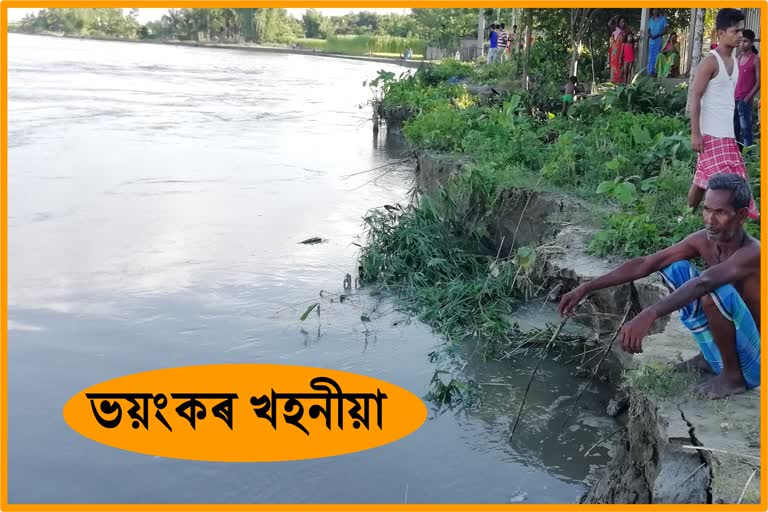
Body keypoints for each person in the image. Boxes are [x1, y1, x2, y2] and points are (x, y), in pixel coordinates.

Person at [559, 174, 760, 399]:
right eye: (707, 209)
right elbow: (647, 263)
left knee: (713, 293)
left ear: (742, 216)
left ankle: (732, 378)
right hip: (726, 349)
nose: (710, 220)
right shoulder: (704, 240)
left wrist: (650, 313)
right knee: (676, 269)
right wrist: (586, 287)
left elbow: (705, 283)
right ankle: (708, 357)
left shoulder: (752, 253)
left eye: (720, 212)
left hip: (754, 364)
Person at [689, 8, 759, 220]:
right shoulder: (710, 62)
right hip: (711, 135)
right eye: (734, 31)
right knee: (734, 180)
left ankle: (685, 217)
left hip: (727, 134)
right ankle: (736, 220)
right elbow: (695, 97)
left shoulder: (735, 62)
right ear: (720, 33)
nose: (739, 35)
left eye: (741, 31)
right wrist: (696, 133)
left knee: (702, 180)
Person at [734, 29, 760, 149]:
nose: (742, 44)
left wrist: (747, 99)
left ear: (751, 42)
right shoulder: (738, 58)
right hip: (734, 99)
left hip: (744, 101)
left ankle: (748, 159)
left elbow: (759, 82)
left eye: (745, 41)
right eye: (741, 41)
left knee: (746, 131)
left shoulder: (755, 60)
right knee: (735, 129)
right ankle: (737, 156)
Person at [647, 9, 669, 77]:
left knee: (657, 56)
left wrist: (657, 35)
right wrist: (650, 35)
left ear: (659, 11)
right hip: (651, 41)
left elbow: (666, 29)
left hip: (659, 41)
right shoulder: (650, 20)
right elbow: (648, 30)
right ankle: (650, 72)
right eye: (654, 10)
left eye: (657, 10)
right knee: (650, 57)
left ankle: (657, 72)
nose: (655, 11)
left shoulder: (663, 19)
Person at [608, 16, 628, 84]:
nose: (623, 23)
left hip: (620, 53)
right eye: (621, 22)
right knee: (614, 69)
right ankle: (615, 82)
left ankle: (619, 83)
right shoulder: (615, 31)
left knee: (620, 69)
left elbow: (623, 44)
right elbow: (609, 24)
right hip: (614, 54)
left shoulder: (622, 32)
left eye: (624, 22)